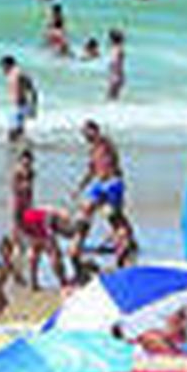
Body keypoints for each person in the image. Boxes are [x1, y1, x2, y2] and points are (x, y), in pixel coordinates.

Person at [73, 120, 125, 256]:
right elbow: (91, 171)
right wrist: (80, 187)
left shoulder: (105, 143)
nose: (85, 136)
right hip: (100, 184)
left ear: (95, 130)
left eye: (87, 132)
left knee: (113, 217)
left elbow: (114, 160)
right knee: (86, 210)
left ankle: (122, 244)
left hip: (112, 183)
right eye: (83, 134)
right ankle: (78, 243)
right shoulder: (92, 150)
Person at [0, 56, 38, 144]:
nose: (2, 69)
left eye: (3, 66)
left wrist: (33, 107)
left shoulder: (19, 74)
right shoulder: (11, 75)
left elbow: (33, 90)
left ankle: (25, 146)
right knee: (14, 132)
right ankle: (25, 145)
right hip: (16, 106)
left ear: (8, 64)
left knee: (15, 132)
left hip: (22, 106)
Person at [105, 29, 126, 101]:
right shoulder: (119, 48)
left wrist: (111, 67)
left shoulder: (116, 49)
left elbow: (115, 62)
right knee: (114, 98)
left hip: (116, 75)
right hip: (119, 75)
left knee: (110, 98)